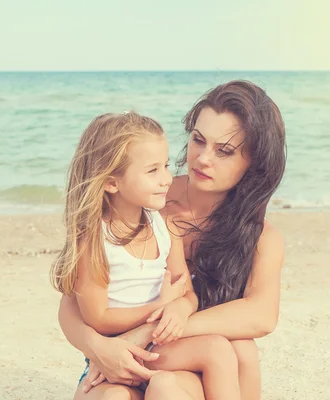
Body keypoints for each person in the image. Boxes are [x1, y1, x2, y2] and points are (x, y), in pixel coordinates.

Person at [58, 80, 287, 400]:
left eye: (224, 151)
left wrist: (150, 329)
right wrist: (97, 347)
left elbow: (261, 317)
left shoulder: (259, 237)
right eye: (198, 140)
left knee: (241, 350)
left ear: (255, 162)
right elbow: (74, 299)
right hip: (126, 357)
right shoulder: (149, 202)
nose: (203, 158)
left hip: (190, 363)